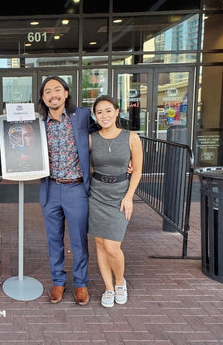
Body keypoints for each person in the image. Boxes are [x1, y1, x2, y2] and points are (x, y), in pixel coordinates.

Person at [37, 76, 99, 306]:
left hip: (76, 188)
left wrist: (125, 156)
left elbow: (104, 133)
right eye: (47, 92)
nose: (53, 95)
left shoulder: (81, 116)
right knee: (54, 239)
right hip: (51, 187)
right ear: (43, 98)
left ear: (65, 92)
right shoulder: (39, 123)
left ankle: (81, 283)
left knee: (78, 240)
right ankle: (58, 281)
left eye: (57, 90)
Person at [88, 95, 142, 308]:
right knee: (100, 245)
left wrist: (129, 197)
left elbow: (137, 170)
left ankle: (120, 281)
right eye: (99, 112)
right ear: (95, 115)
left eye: (108, 110)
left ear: (117, 111)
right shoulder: (92, 138)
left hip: (119, 196)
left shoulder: (131, 137)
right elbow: (86, 165)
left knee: (112, 247)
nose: (104, 115)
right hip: (97, 195)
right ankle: (108, 288)